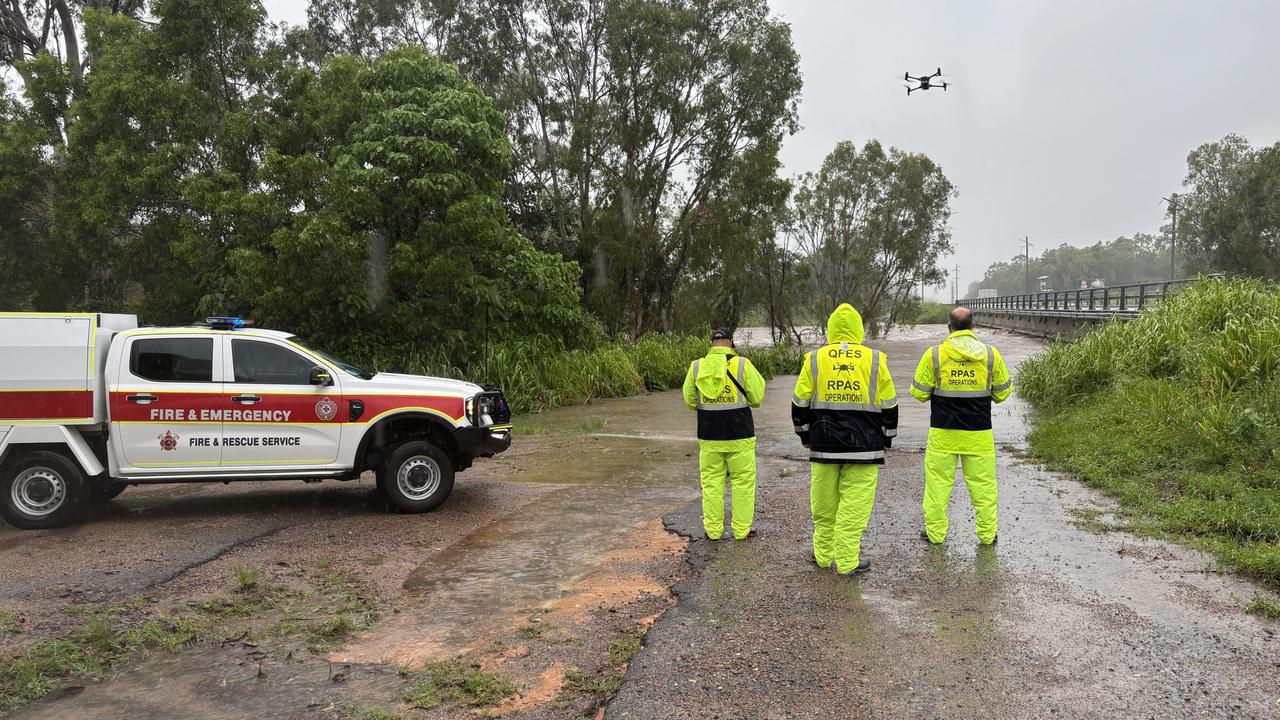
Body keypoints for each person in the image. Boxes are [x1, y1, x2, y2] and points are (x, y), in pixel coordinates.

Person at [791, 304, 897, 575]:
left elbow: (799, 402)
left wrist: (804, 435)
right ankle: (848, 562)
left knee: (824, 504)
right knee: (855, 504)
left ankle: (823, 556)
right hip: (865, 444)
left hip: (823, 443)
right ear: (859, 329)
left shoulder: (815, 359)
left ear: (832, 329)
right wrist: (886, 438)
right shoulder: (874, 359)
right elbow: (890, 403)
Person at [909, 307, 1013, 545]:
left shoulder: (934, 354)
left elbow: (918, 392)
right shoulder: (991, 355)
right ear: (973, 326)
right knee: (984, 487)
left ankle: (935, 535)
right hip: (979, 435)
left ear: (949, 327)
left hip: (943, 433)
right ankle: (987, 536)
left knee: (937, 485)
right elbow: (1003, 393)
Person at [682, 328, 767, 541]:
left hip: (709, 435)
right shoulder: (742, 365)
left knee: (711, 484)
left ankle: (713, 531)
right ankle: (741, 531)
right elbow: (756, 398)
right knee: (743, 484)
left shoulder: (697, 367)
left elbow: (690, 401)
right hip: (740, 435)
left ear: (712, 343)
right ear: (730, 343)